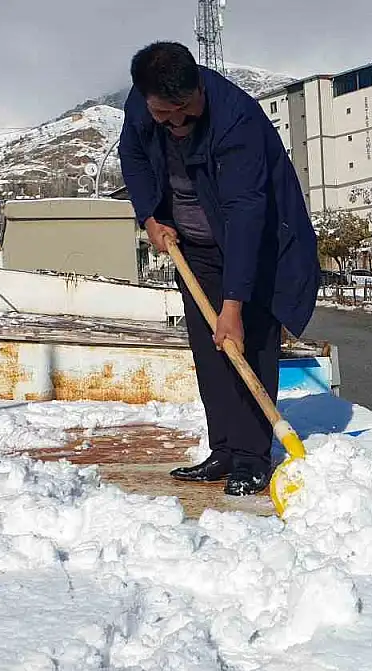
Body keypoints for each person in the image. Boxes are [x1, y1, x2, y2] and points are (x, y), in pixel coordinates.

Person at [118, 41, 319, 496]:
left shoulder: (237, 121)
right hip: (195, 249)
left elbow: (246, 214)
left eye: (185, 111)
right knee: (211, 353)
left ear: (198, 88)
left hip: (257, 246)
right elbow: (132, 158)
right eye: (165, 117)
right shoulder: (140, 105)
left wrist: (233, 305)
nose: (178, 124)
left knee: (248, 345)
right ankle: (225, 449)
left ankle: (252, 457)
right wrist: (150, 216)